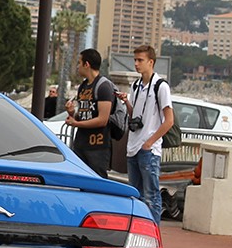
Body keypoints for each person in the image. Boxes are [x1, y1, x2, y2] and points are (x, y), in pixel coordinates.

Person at [116, 44, 173, 221]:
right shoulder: (136, 85)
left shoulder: (161, 86)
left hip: (148, 149)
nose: (136, 64)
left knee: (151, 196)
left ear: (151, 62)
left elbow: (169, 120)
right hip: (133, 146)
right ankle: (139, 232)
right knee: (136, 196)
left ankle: (153, 234)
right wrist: (126, 102)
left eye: (140, 60)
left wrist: (150, 142)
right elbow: (135, 115)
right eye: (135, 60)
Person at [63, 48, 116, 176]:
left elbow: (102, 120)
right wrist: (72, 113)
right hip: (81, 144)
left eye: (79, 63)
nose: (77, 67)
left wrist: (76, 124)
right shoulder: (83, 86)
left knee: (97, 184)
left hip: (97, 147)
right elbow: (84, 115)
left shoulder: (104, 87)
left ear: (87, 64)